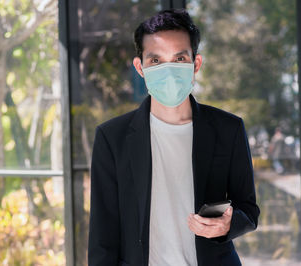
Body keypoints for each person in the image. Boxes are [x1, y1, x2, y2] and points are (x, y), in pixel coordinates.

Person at [88, 9, 260, 266]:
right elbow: (103, 236)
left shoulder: (228, 129)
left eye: (179, 59)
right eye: (156, 61)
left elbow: (248, 209)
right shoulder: (112, 138)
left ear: (196, 64)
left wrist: (226, 225)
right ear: (140, 67)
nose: (168, 71)